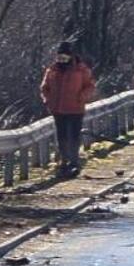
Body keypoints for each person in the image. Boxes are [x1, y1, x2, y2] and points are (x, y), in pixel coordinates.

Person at [40, 41, 96, 177]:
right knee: (62, 137)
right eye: (59, 58)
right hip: (58, 110)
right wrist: (48, 100)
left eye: (64, 58)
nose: (61, 61)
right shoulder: (52, 70)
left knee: (74, 137)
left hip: (75, 109)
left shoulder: (81, 70)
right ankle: (63, 162)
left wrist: (81, 97)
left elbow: (90, 86)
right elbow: (44, 88)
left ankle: (74, 163)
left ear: (71, 57)